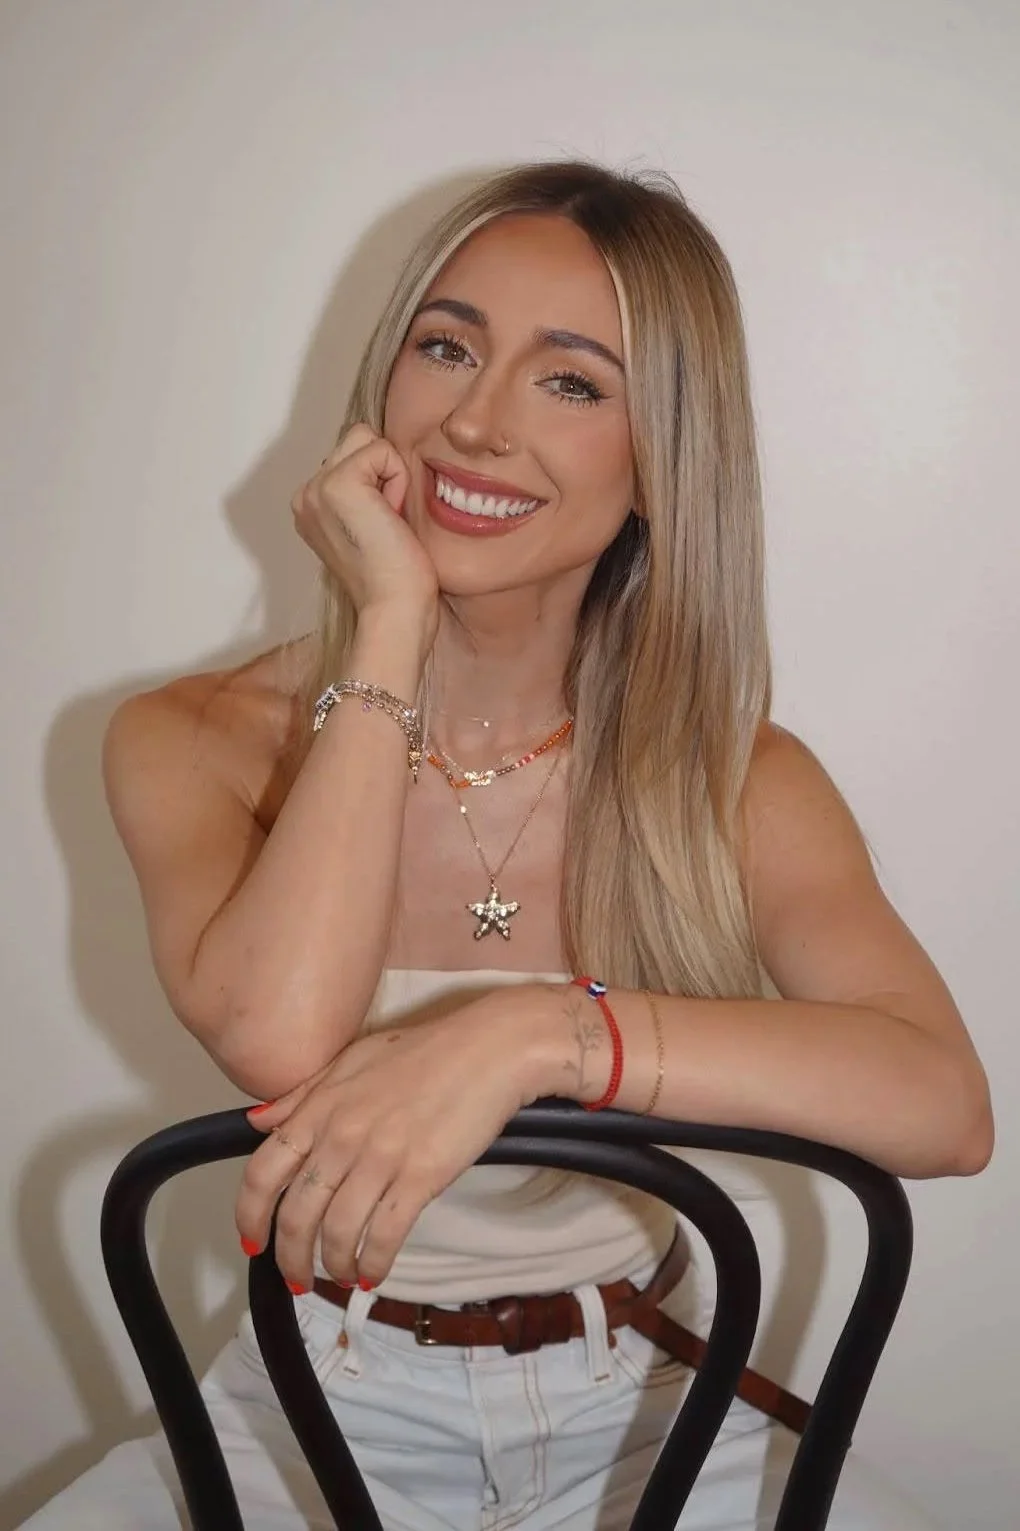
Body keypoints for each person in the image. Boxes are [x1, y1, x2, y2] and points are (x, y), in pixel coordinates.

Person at [22, 159, 992, 1530]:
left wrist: (541, 1031)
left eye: (572, 382)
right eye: (447, 348)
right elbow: (281, 1038)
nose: (474, 423)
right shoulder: (191, 738)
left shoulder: (732, 780)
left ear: (662, 461)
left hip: (652, 1398)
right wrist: (390, 628)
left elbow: (946, 1107)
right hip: (306, 1397)